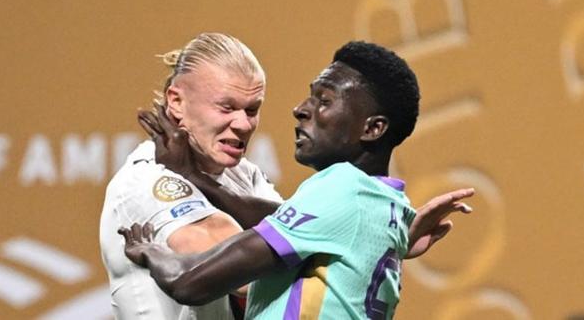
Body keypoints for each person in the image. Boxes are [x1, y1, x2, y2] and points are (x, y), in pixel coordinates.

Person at [120, 41, 474, 318]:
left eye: (324, 100)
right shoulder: (385, 208)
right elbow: (281, 217)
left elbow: (191, 283)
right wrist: (192, 175)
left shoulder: (341, 190)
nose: (301, 109)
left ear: (373, 128)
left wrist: (149, 250)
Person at [100, 33, 281, 319]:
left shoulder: (244, 174)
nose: (243, 124)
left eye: (252, 109)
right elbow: (245, 274)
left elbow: (296, 227)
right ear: (176, 101)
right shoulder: (147, 179)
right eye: (227, 107)